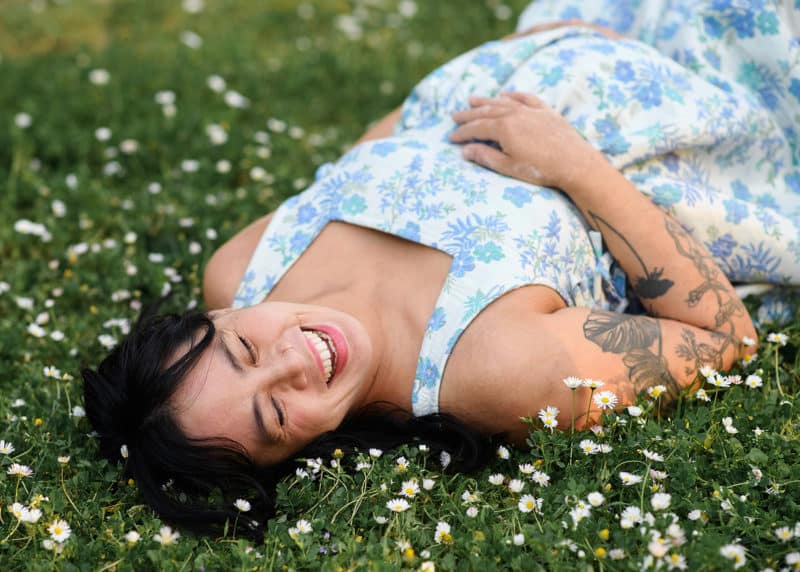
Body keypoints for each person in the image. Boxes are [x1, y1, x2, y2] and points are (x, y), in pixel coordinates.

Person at [83, 0, 799, 538]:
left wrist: (548, 42)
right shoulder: (498, 372)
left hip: (599, 20)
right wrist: (577, 167)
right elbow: (725, 338)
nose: (291, 363)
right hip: (735, 113)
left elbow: (386, 139)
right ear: (296, 456)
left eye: (243, 349)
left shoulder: (242, 270)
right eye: (274, 414)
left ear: (218, 317)